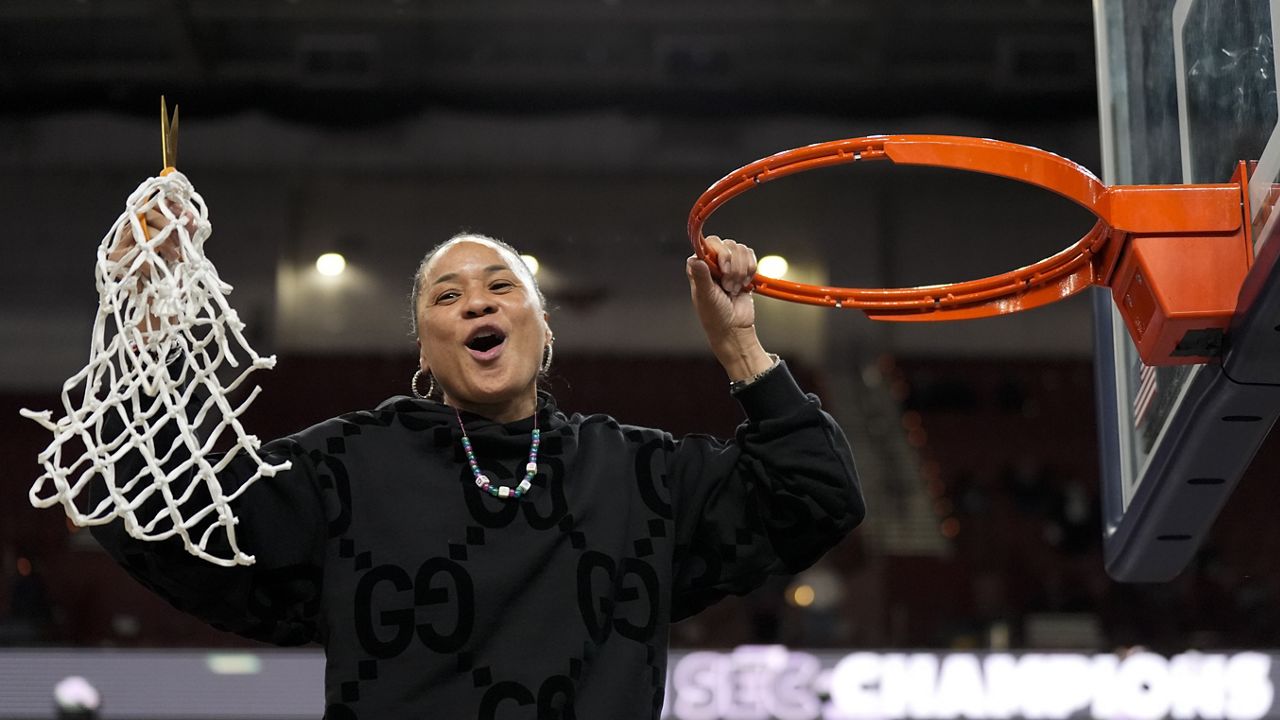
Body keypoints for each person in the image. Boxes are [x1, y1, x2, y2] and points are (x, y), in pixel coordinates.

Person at [91, 222, 864, 718]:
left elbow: (817, 494)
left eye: (500, 286)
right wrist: (143, 336)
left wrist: (739, 346)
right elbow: (161, 519)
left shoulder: (634, 473)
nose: (475, 302)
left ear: (542, 329)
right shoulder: (348, 464)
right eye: (446, 295)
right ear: (423, 348)